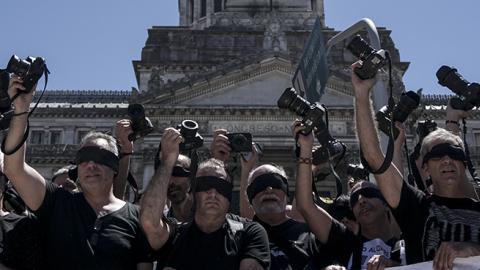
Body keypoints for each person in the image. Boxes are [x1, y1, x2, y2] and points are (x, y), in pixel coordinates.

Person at [2, 76, 153, 269]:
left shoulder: (137, 217)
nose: (91, 164)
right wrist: (21, 110)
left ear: (115, 166)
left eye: (100, 158)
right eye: (84, 158)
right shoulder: (58, 203)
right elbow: (14, 169)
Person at [352, 61, 480, 269]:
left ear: (464, 162)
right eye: (437, 155)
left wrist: (472, 248)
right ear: (426, 167)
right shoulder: (417, 208)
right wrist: (361, 93)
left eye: (453, 153)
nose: (447, 160)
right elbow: (374, 157)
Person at [140, 127, 270, 270]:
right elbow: (149, 221)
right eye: (205, 186)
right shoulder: (174, 233)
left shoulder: (249, 233)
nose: (213, 193)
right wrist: (168, 161)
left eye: (221, 187)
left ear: (229, 195)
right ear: (194, 191)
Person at [294, 121, 405, 270]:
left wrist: (393, 266)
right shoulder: (345, 241)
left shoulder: (409, 240)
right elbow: (305, 205)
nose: (361, 200)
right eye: (354, 199)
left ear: (386, 203)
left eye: (368, 193)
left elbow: (398, 190)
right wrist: (306, 150)